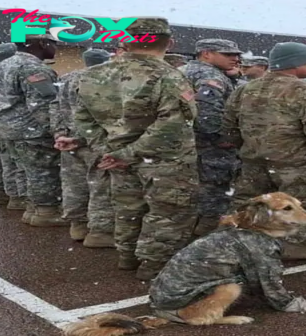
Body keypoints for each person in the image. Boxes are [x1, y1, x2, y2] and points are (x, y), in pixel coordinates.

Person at [74, 17, 199, 280]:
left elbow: (83, 120)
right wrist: (128, 153)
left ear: (125, 41)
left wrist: (109, 151)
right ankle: (156, 265)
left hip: (117, 156)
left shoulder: (91, 75)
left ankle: (128, 256)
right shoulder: (169, 76)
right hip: (165, 159)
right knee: (168, 211)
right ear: (170, 42)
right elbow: (173, 123)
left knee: (128, 207)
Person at [222, 42, 306, 260]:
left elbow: (228, 126)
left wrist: (245, 148)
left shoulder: (245, 88)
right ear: (295, 63)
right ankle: (298, 247)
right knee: (304, 205)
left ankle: (243, 243)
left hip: (253, 162)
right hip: (296, 163)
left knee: (250, 205)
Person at [0, 34, 67, 227]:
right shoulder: (32, 67)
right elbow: (43, 105)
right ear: (41, 43)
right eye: (53, 44)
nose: (55, 48)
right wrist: (58, 131)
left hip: (8, 129)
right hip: (31, 130)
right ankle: (46, 211)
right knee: (43, 171)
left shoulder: (4, 65)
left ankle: (32, 209)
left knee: (27, 170)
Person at [50, 48, 115, 247]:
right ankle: (100, 232)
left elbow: (55, 107)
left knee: (73, 184)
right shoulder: (108, 79)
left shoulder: (68, 78)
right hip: (95, 141)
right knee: (100, 186)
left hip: (69, 140)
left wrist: (60, 133)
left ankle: (78, 225)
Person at [178, 39, 243, 236]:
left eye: (236, 55)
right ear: (206, 54)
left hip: (183, 140)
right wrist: (221, 137)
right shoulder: (209, 75)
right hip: (208, 143)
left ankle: (191, 226)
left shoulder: (181, 70)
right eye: (228, 54)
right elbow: (207, 111)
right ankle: (208, 229)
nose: (235, 59)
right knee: (215, 186)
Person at [0, 43, 27, 210]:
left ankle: (1, 194)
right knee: (11, 161)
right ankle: (16, 197)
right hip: (7, 123)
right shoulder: (11, 73)